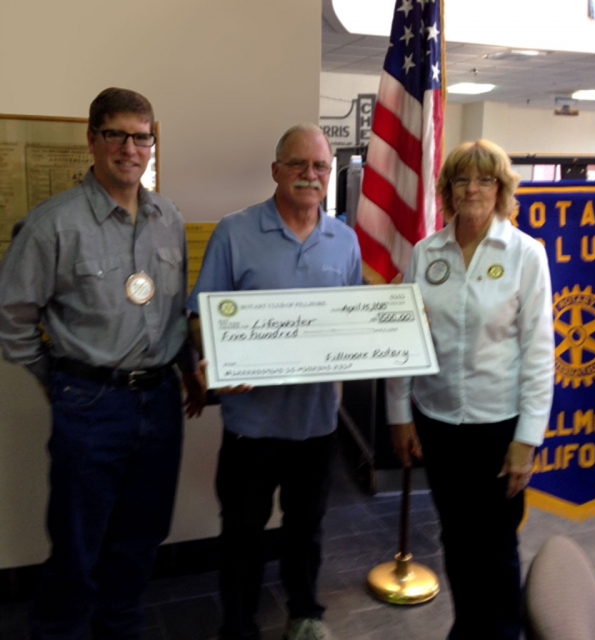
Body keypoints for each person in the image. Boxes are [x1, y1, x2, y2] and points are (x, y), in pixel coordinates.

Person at [0, 87, 206, 640]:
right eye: (116, 134)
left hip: (159, 402)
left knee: (141, 537)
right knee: (77, 543)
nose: (130, 148)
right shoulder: (53, 225)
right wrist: (58, 382)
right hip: (90, 405)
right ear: (92, 139)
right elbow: (13, 318)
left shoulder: (169, 218)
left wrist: (188, 369)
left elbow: (171, 310)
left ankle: (121, 629)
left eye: (142, 137)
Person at [187, 123, 362, 640]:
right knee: (241, 533)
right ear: (276, 171)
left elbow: (352, 323)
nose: (310, 175)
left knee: (306, 529)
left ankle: (306, 614)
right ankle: (238, 625)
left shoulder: (344, 241)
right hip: (251, 426)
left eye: (320, 167)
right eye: (299, 165)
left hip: (316, 424)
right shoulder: (234, 232)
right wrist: (215, 358)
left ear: (330, 175)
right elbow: (200, 316)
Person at [386, 140, 554, 640]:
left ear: (501, 189)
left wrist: (527, 440)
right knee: (455, 540)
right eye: (462, 180)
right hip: (437, 423)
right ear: (448, 190)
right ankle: (467, 628)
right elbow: (406, 338)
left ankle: (501, 633)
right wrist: (400, 415)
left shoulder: (526, 255)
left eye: (484, 180)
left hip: (497, 428)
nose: (473, 189)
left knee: (496, 545)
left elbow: (540, 354)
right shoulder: (425, 252)